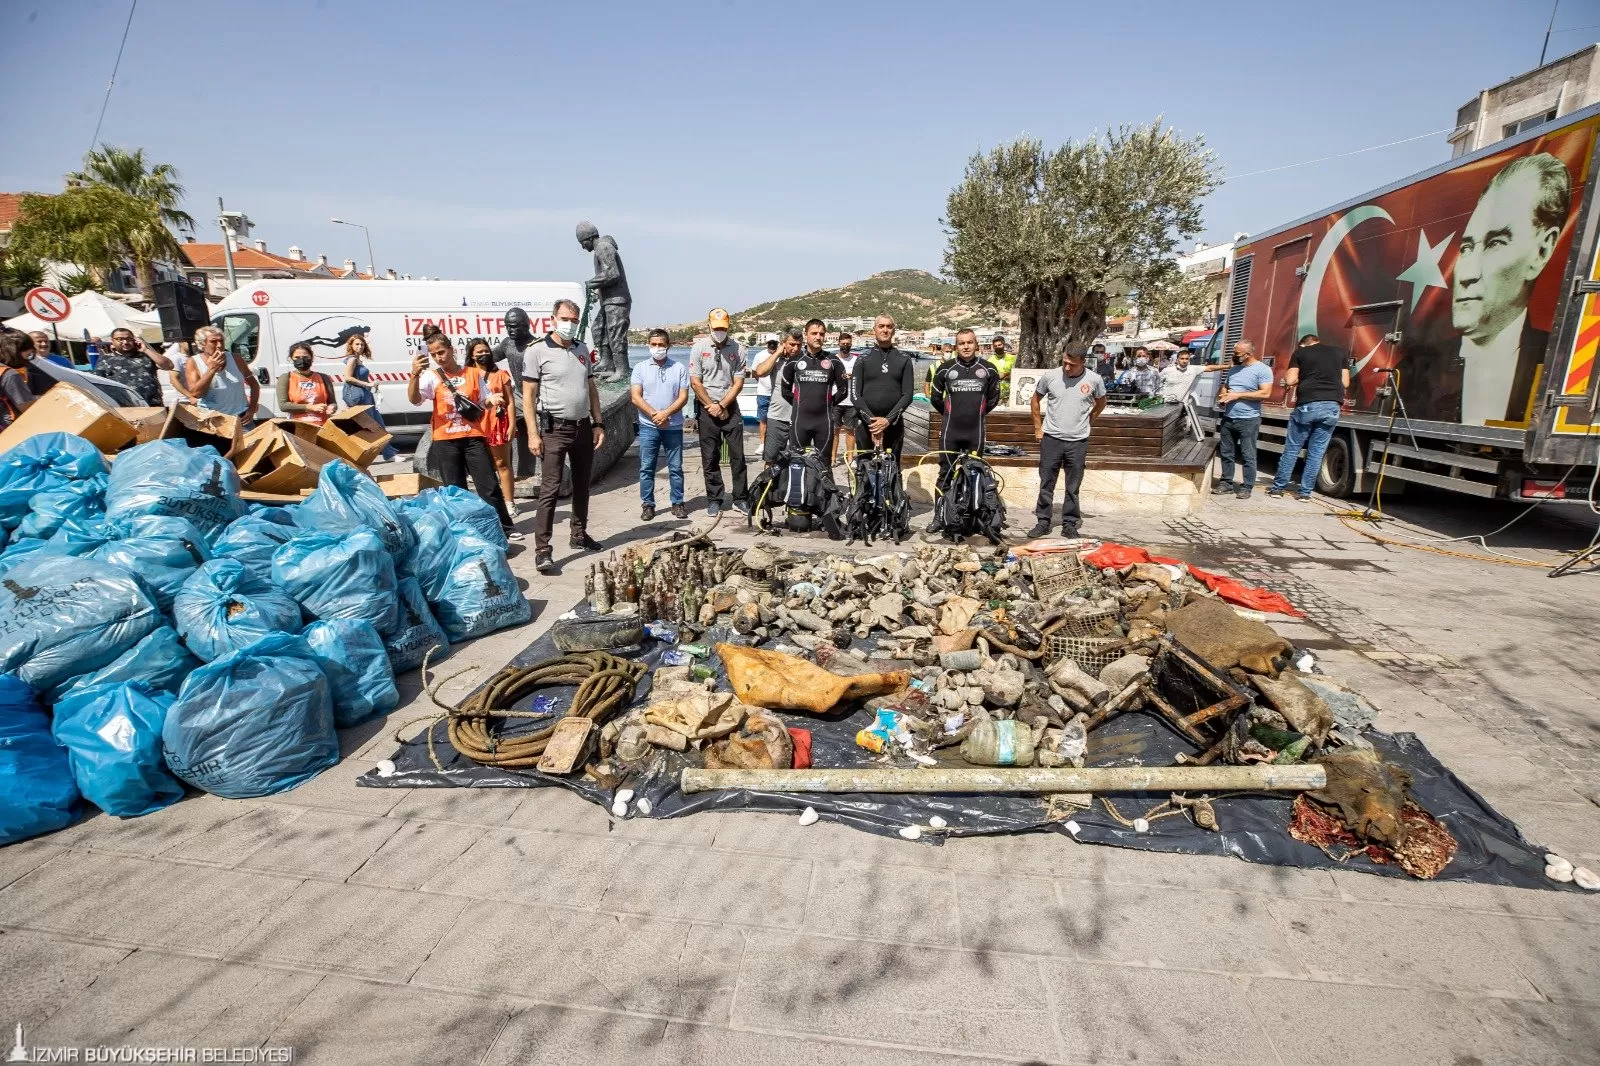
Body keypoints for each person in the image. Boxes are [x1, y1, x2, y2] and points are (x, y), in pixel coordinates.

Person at [1447, 153, 1571, 425]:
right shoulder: (1415, 368)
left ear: (1541, 251)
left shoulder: (1561, 360)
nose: (1467, 274)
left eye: (1495, 243)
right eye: (1467, 248)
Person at [524, 298, 606, 573]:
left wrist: (599, 423)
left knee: (583, 484)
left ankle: (579, 535)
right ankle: (543, 550)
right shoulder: (536, 351)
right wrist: (533, 435)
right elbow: (528, 397)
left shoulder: (582, 349)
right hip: (554, 429)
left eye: (573, 319)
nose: (569, 324)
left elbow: (592, 389)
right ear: (552, 319)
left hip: (583, 427)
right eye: (564, 318)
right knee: (550, 489)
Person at [408, 332, 517, 540]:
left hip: (473, 436)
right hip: (445, 440)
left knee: (489, 485)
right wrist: (414, 375)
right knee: (455, 490)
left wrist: (491, 400)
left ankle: (505, 528)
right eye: (434, 354)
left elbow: (482, 401)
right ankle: (464, 532)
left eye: (441, 352)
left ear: (451, 350)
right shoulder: (432, 376)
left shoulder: (473, 373)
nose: (439, 357)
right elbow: (415, 400)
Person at [1028, 344, 1107, 539]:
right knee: (1047, 482)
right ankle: (1043, 521)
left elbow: (1101, 402)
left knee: (1073, 485)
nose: (1067, 367)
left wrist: (1089, 420)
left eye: (1071, 364)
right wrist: (1038, 428)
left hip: (1078, 441)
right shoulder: (1050, 376)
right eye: (1064, 362)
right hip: (1052, 439)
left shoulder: (1094, 380)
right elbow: (1035, 400)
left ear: (1083, 362)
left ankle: (1070, 523)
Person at [928, 328, 1001, 529]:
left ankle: (973, 518)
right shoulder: (945, 369)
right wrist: (951, 414)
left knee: (976, 475)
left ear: (976, 344)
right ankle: (939, 517)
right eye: (962, 343)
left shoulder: (989, 369)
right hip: (951, 430)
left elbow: (994, 398)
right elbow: (935, 398)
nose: (966, 346)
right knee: (945, 474)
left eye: (969, 342)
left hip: (975, 432)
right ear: (956, 345)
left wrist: (976, 414)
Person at [1268, 333, 1349, 500]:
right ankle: (1305, 493)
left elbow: (1290, 380)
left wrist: (1304, 377)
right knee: (1316, 452)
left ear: (1303, 345)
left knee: (1292, 449)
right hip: (1332, 405)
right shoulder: (1339, 353)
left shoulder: (1301, 353)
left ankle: (1278, 489)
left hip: (1308, 403)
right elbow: (1345, 383)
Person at [688, 308, 749, 517]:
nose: (720, 331)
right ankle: (715, 499)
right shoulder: (698, 348)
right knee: (710, 457)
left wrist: (722, 405)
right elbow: (695, 382)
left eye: (723, 328)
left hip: (729, 407)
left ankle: (741, 498)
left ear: (728, 326)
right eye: (716, 328)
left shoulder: (738, 348)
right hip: (706, 408)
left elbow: (738, 382)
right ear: (709, 326)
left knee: (738, 456)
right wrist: (712, 406)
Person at [631, 328, 689, 521]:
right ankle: (647, 504)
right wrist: (655, 414)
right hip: (648, 426)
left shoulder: (679, 368)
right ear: (649, 345)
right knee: (647, 467)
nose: (657, 348)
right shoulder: (640, 368)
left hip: (673, 426)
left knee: (676, 467)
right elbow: (635, 397)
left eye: (661, 345)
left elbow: (683, 397)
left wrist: (666, 414)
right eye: (654, 344)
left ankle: (678, 503)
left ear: (668, 346)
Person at [778, 319, 848, 474]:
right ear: (806, 335)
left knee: (824, 466)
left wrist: (828, 404)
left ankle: (824, 497)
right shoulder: (794, 361)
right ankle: (798, 497)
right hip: (799, 421)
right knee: (796, 463)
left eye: (821, 334)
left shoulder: (833, 361)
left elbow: (844, 390)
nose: (818, 337)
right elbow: (785, 391)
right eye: (814, 333)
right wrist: (799, 403)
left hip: (824, 422)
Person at [1212, 340, 1275, 499]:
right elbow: (1226, 387)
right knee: (1226, 452)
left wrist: (1238, 395)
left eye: (1237, 354)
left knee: (1248, 454)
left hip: (1248, 419)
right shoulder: (1234, 369)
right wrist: (1222, 396)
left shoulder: (1262, 370)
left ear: (1249, 354)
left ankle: (1247, 487)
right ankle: (1226, 483)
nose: (1234, 356)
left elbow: (1265, 393)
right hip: (1229, 417)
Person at [850, 314, 917, 461]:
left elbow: (908, 395)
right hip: (866, 424)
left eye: (889, 326)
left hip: (893, 423)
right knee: (863, 470)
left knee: (893, 471)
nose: (885, 330)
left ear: (893, 330)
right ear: (874, 330)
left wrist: (887, 421)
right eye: (881, 326)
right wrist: (873, 423)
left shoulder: (904, 359)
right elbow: (855, 395)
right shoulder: (862, 359)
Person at [576, 221, 631, 379]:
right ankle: (607, 362)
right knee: (598, 329)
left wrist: (592, 283)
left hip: (617, 301)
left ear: (588, 238)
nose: (582, 247)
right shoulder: (599, 248)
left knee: (615, 333)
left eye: (582, 243)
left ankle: (622, 370)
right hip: (608, 301)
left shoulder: (603, 247)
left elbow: (612, 273)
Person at [468, 338, 518, 511]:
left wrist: (512, 425)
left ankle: (510, 502)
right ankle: (492, 504)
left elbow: (510, 401)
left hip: (498, 423)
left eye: (485, 351)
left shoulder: (501, 374)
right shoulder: (467, 375)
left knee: (502, 463)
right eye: (478, 352)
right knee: (484, 467)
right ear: (471, 356)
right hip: (476, 426)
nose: (483, 354)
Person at [492, 307, 538, 481]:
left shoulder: (537, 345)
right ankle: (504, 469)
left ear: (526, 325)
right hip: (519, 396)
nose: (510, 330)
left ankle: (537, 470)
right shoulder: (507, 344)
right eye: (507, 326)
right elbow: (490, 358)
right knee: (500, 418)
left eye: (514, 326)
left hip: (539, 397)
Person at [184, 325, 260, 422]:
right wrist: (212, 370)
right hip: (212, 419)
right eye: (213, 341)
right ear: (202, 344)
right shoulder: (194, 362)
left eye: (221, 341)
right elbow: (196, 393)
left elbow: (254, 385)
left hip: (240, 416)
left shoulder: (236, 359)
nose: (219, 345)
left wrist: (251, 409)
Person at [341, 333, 399, 460]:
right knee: (373, 427)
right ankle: (387, 454)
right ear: (351, 345)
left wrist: (371, 385)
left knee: (378, 425)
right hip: (360, 397)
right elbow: (348, 378)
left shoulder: (358, 360)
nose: (360, 346)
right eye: (357, 344)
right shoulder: (352, 360)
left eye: (362, 344)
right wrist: (368, 383)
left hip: (366, 395)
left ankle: (388, 453)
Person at [756, 328, 801, 464]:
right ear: (783, 343)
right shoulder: (776, 361)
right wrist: (777, 353)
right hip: (777, 417)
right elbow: (760, 371)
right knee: (770, 459)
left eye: (799, 345)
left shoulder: (805, 361)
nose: (795, 348)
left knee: (798, 460)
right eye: (792, 344)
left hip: (799, 418)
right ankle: (768, 485)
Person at [95, 327, 173, 406]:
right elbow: (98, 383)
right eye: (120, 339)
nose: (125, 342)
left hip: (152, 404)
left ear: (134, 340)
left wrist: (145, 349)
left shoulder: (146, 356)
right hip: (124, 407)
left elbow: (169, 365)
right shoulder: (105, 359)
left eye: (128, 339)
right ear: (113, 341)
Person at [276, 342, 338, 425]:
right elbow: (283, 406)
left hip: (322, 425)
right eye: (297, 357)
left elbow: (332, 402)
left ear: (311, 358)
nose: (301, 360)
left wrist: (332, 407)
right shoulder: (286, 378)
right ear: (291, 359)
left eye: (305, 357)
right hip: (297, 426)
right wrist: (310, 407)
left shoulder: (323, 378)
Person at [0, 333, 37, 427]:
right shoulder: (9, 374)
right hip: (10, 430)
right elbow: (26, 407)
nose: (31, 351)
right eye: (27, 347)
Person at [834, 331, 859, 463]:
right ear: (838, 343)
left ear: (851, 345)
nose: (845, 346)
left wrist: (852, 376)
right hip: (836, 400)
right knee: (834, 431)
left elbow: (861, 377)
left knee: (850, 431)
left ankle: (850, 458)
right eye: (843, 344)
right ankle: (832, 458)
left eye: (848, 344)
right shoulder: (833, 360)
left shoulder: (856, 360)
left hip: (851, 401)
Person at [753, 338, 778, 447]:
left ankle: (774, 442)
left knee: (775, 420)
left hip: (776, 393)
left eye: (774, 345)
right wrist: (760, 381)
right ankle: (762, 443)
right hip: (763, 392)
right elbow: (754, 371)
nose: (772, 347)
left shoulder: (780, 355)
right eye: (770, 345)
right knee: (763, 419)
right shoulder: (759, 355)